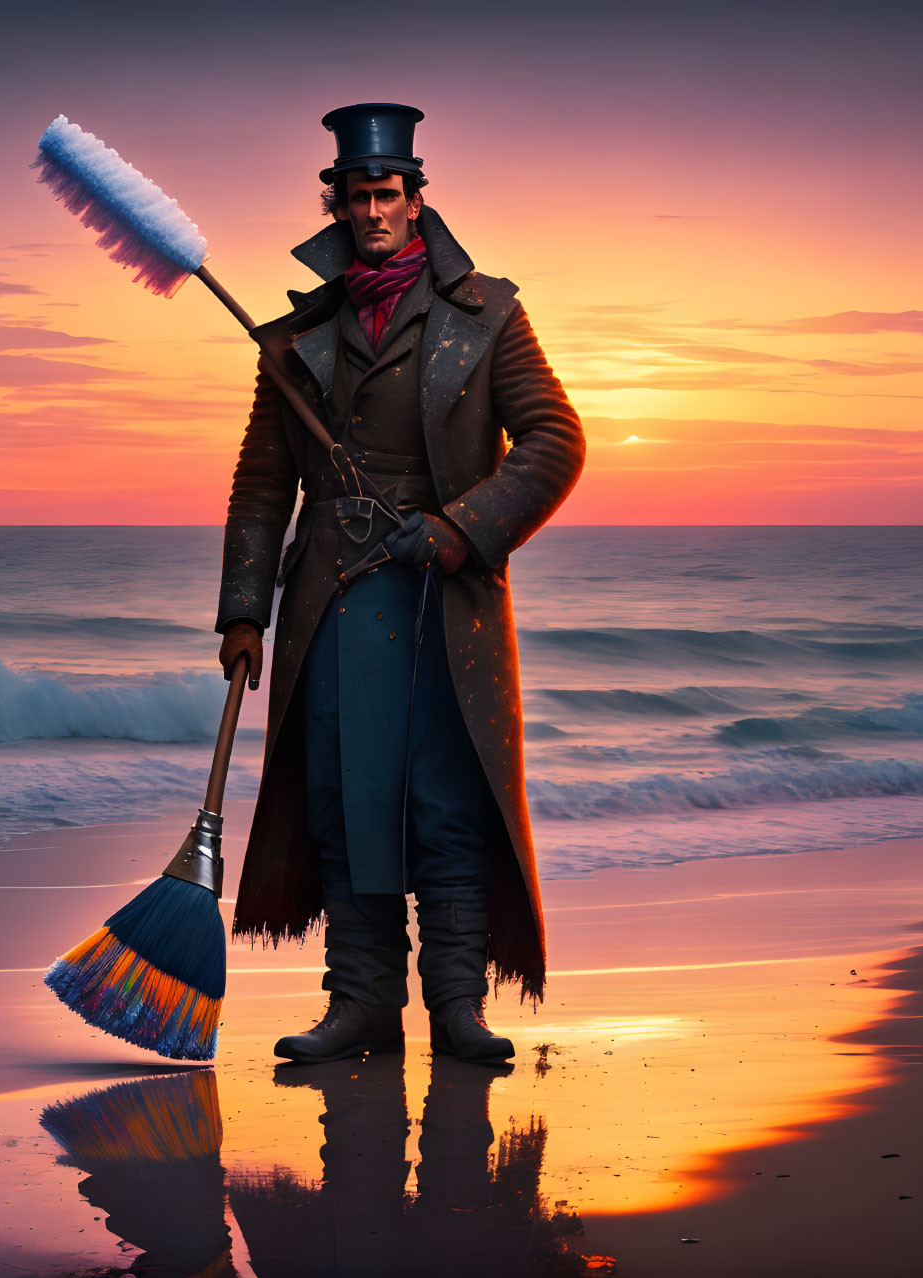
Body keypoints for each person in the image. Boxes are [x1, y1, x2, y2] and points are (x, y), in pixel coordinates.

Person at [216, 102, 584, 1064]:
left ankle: (457, 1008)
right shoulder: (293, 340)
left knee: (447, 797)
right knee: (348, 800)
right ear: (334, 204)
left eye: (388, 194)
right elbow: (262, 482)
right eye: (356, 196)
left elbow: (554, 440)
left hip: (445, 599)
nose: (372, 210)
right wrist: (244, 609)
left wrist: (465, 528)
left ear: (416, 202)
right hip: (332, 599)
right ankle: (362, 1007)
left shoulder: (488, 314)